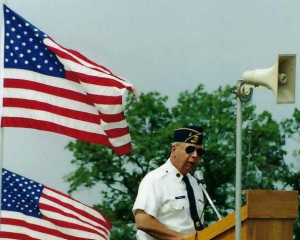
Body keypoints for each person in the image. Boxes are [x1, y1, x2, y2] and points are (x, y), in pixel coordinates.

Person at [133, 125, 206, 240]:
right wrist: (181, 238)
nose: (195, 155)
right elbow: (142, 221)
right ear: (174, 150)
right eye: (190, 149)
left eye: (199, 151)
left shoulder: (196, 184)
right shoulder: (155, 179)